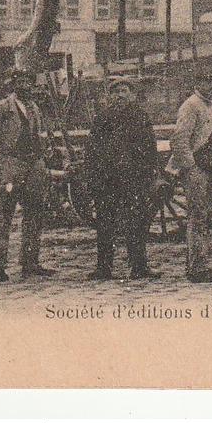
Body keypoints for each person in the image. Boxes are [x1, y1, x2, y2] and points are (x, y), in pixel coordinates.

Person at [0, 70, 54, 282]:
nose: (25, 86)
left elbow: (38, 134)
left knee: (34, 215)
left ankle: (30, 263)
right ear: (13, 85)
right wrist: (1, 161)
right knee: (4, 217)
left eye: (28, 82)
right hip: (11, 167)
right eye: (20, 82)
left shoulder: (33, 108)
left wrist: (44, 148)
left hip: (33, 168)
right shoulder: (2, 108)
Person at [84, 78, 162, 279]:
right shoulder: (102, 118)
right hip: (107, 180)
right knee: (105, 224)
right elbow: (92, 149)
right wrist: (94, 177)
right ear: (110, 96)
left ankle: (139, 266)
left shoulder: (140, 117)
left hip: (133, 179)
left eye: (124, 91)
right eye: (116, 91)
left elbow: (150, 147)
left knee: (136, 223)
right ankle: (103, 267)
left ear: (132, 94)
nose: (120, 95)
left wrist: (149, 173)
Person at [167, 76, 212, 283]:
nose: (210, 86)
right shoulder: (191, 106)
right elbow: (179, 139)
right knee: (198, 218)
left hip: (210, 167)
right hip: (197, 169)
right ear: (196, 84)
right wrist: (190, 167)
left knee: (206, 216)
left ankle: (200, 263)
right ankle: (197, 268)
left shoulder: (211, 105)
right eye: (206, 82)